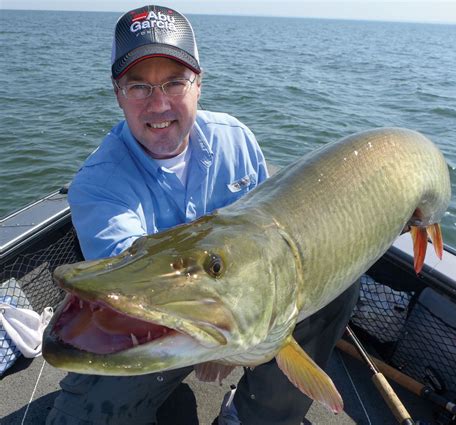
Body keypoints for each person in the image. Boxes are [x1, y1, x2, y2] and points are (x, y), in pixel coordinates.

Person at [46, 5, 359, 425]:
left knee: (334, 288)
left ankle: (252, 415)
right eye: (139, 87)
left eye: (175, 82)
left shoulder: (238, 140)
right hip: (160, 332)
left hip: (239, 318)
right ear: (118, 92)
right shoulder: (98, 185)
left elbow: (262, 245)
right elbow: (136, 301)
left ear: (198, 84)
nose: (159, 105)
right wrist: (222, 347)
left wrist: (236, 341)